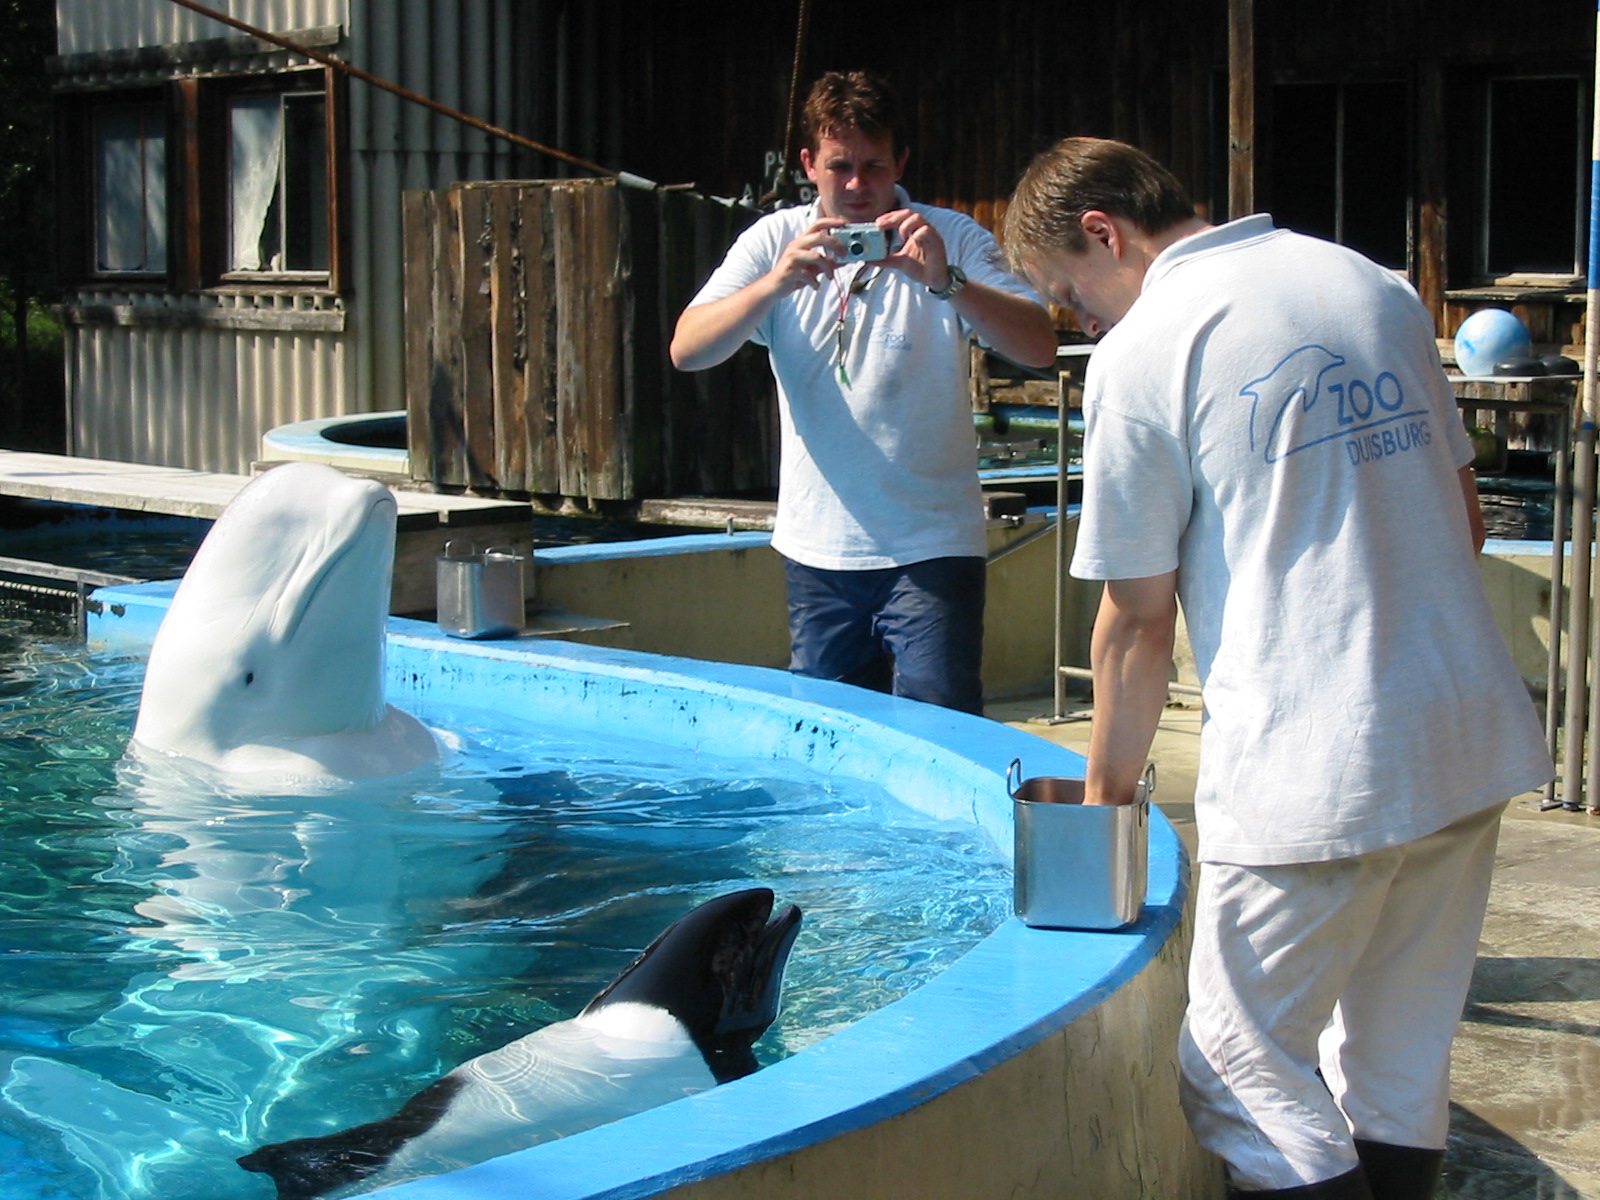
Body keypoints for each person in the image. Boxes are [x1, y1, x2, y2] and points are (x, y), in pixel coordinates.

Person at [1001, 137, 1553, 1199]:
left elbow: (1132, 621)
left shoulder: (1146, 346)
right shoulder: (1366, 282)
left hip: (1316, 764)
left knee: (1236, 1073)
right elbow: (1466, 518)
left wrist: (1103, 820)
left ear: (1103, 234)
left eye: (1069, 297)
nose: (1080, 323)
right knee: (1389, 1067)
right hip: (1464, 731)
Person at [670, 71, 1055, 714]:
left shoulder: (949, 236)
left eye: (873, 166)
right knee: (834, 745)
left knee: (942, 730)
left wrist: (946, 281)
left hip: (933, 548)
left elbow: (1038, 344)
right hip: (818, 552)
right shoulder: (773, 241)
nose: (856, 186)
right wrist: (774, 284)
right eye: (839, 165)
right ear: (808, 166)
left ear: (900, 162)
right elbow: (687, 349)